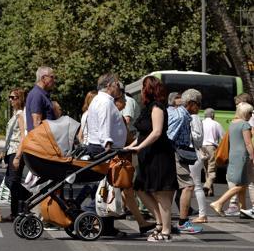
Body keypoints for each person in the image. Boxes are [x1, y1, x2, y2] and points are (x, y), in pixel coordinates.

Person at [86, 73, 153, 238]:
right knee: (108, 187)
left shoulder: (101, 101)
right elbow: (104, 124)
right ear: (109, 86)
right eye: (117, 85)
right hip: (107, 150)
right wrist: (108, 146)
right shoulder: (104, 102)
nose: (119, 89)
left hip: (105, 148)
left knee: (111, 188)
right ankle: (92, 214)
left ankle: (108, 226)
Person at [126, 76, 177, 242]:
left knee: (161, 192)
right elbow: (143, 134)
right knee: (140, 188)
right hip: (148, 154)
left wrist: (139, 147)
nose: (140, 90)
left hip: (159, 154)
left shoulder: (157, 107)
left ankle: (166, 230)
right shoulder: (147, 107)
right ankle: (160, 221)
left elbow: (156, 132)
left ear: (147, 89)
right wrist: (131, 146)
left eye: (142, 87)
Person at [167, 89, 203, 233]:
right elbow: (169, 136)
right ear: (191, 103)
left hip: (176, 153)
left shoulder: (183, 114)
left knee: (171, 190)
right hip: (175, 153)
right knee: (188, 186)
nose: (200, 108)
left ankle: (165, 222)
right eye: (199, 104)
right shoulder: (181, 116)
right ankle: (183, 222)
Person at [209, 102, 254, 217]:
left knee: (242, 183)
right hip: (242, 156)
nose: (251, 114)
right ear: (245, 112)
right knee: (240, 185)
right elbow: (248, 144)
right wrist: (253, 156)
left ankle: (243, 209)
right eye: (250, 112)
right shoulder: (245, 125)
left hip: (233, 155)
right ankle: (219, 202)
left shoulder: (233, 123)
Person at [0, 88, 30, 221]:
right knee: (10, 182)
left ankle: (27, 198)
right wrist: (3, 150)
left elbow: (23, 136)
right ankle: (15, 212)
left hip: (17, 151)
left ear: (20, 99)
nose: (10, 100)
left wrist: (17, 156)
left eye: (14, 97)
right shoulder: (15, 114)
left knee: (12, 182)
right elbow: (10, 135)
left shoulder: (21, 114)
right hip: (10, 151)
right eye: (10, 97)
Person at [182, 89, 208, 224]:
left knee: (196, 185)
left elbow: (198, 139)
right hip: (191, 154)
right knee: (192, 185)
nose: (199, 106)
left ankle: (202, 214)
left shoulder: (194, 118)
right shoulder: (190, 117)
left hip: (193, 154)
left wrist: (187, 131)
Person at [25, 66, 57, 132]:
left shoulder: (42, 94)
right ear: (43, 78)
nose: (54, 80)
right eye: (52, 77)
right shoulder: (37, 94)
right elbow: (36, 123)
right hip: (40, 140)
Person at [202, 108, 223, 197]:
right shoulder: (216, 124)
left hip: (201, 148)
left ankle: (210, 191)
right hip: (211, 147)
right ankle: (207, 186)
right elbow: (223, 137)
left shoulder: (201, 123)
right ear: (213, 115)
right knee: (212, 169)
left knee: (206, 169)